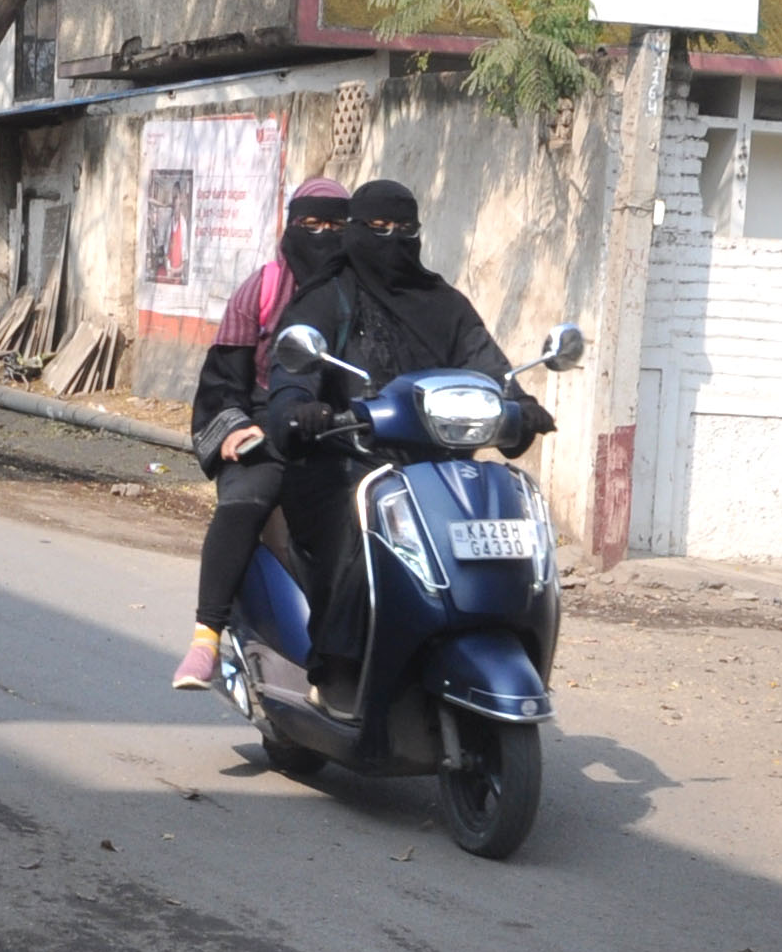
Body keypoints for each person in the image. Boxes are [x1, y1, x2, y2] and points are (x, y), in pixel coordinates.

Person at [259, 179, 541, 677]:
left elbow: (487, 363)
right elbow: (293, 369)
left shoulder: (443, 302)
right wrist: (299, 406)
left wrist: (519, 403)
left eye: (405, 230)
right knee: (354, 531)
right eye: (379, 228)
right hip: (346, 461)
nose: (393, 241)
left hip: (439, 467)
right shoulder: (329, 298)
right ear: (355, 231)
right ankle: (340, 665)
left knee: (500, 524)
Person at [170, 177, 348, 690]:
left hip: (343, 428)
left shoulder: (357, 293)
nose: (322, 236)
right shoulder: (264, 288)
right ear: (290, 226)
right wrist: (235, 427)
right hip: (268, 426)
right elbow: (223, 380)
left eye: (335, 226)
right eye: (310, 225)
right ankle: (206, 637)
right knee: (245, 504)